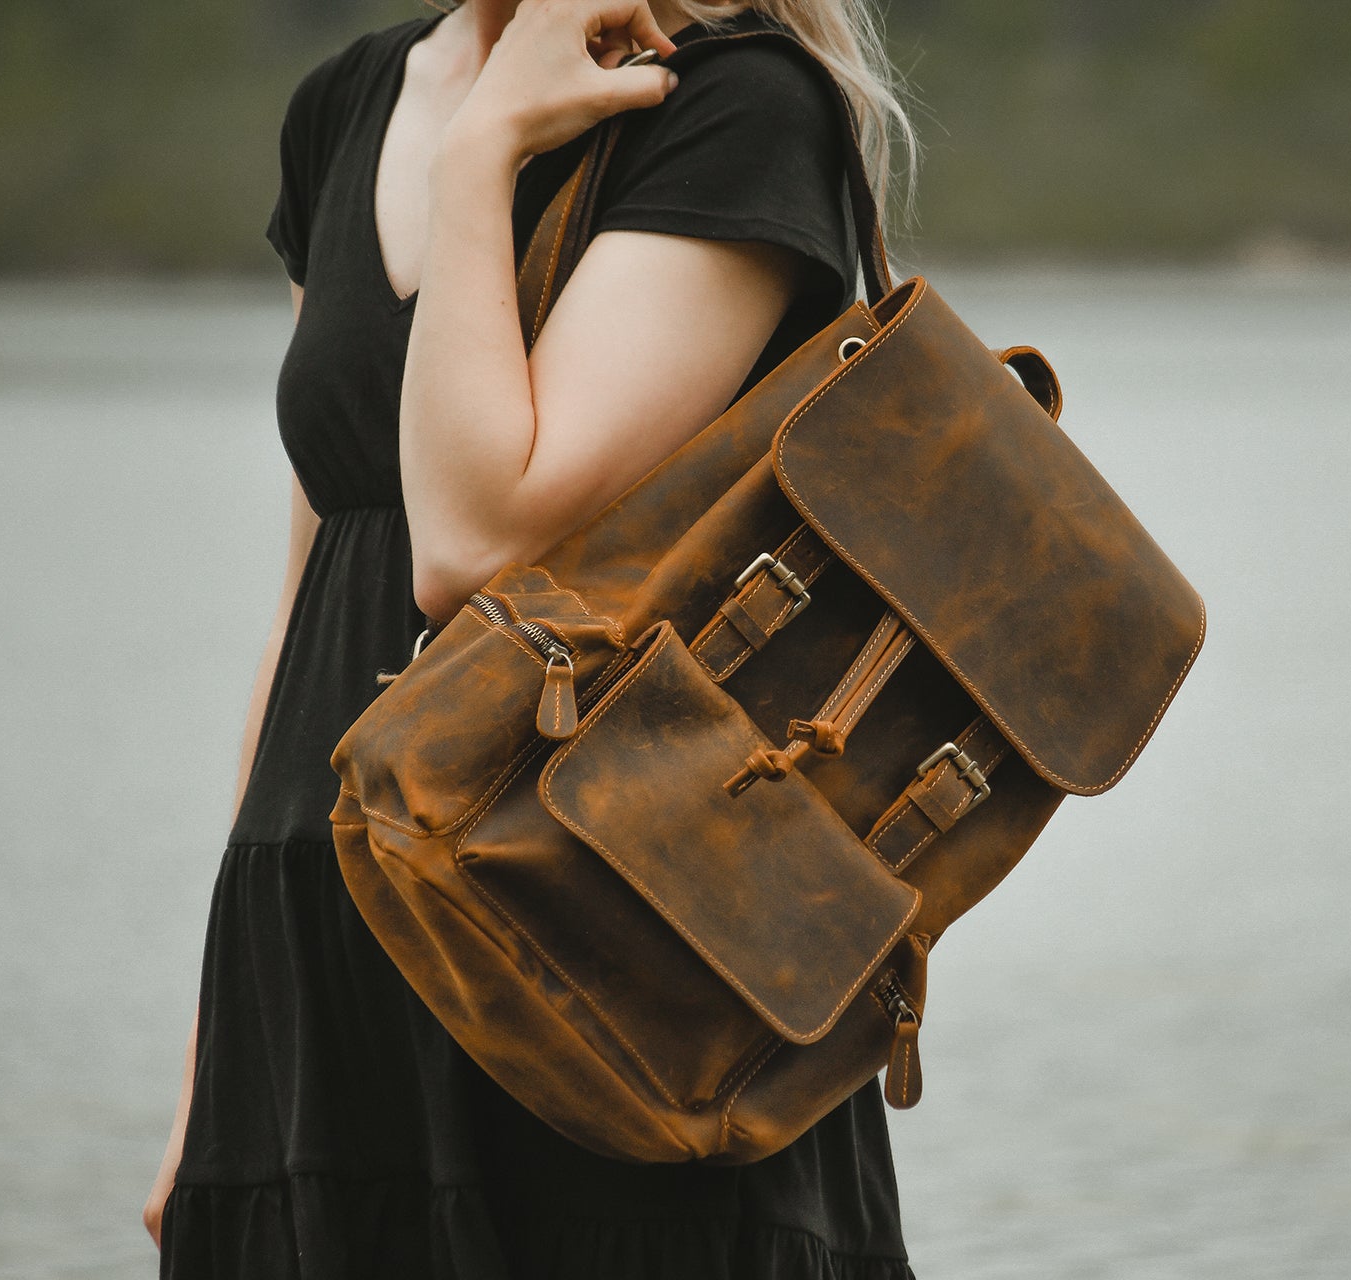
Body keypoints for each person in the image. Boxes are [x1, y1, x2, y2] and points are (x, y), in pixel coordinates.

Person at [142, 0, 920, 1274]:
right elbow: (308, 602)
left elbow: (475, 540)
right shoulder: (345, 103)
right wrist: (210, 1065)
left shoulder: (732, 103)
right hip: (325, 945)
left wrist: (479, 156)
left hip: (591, 950)